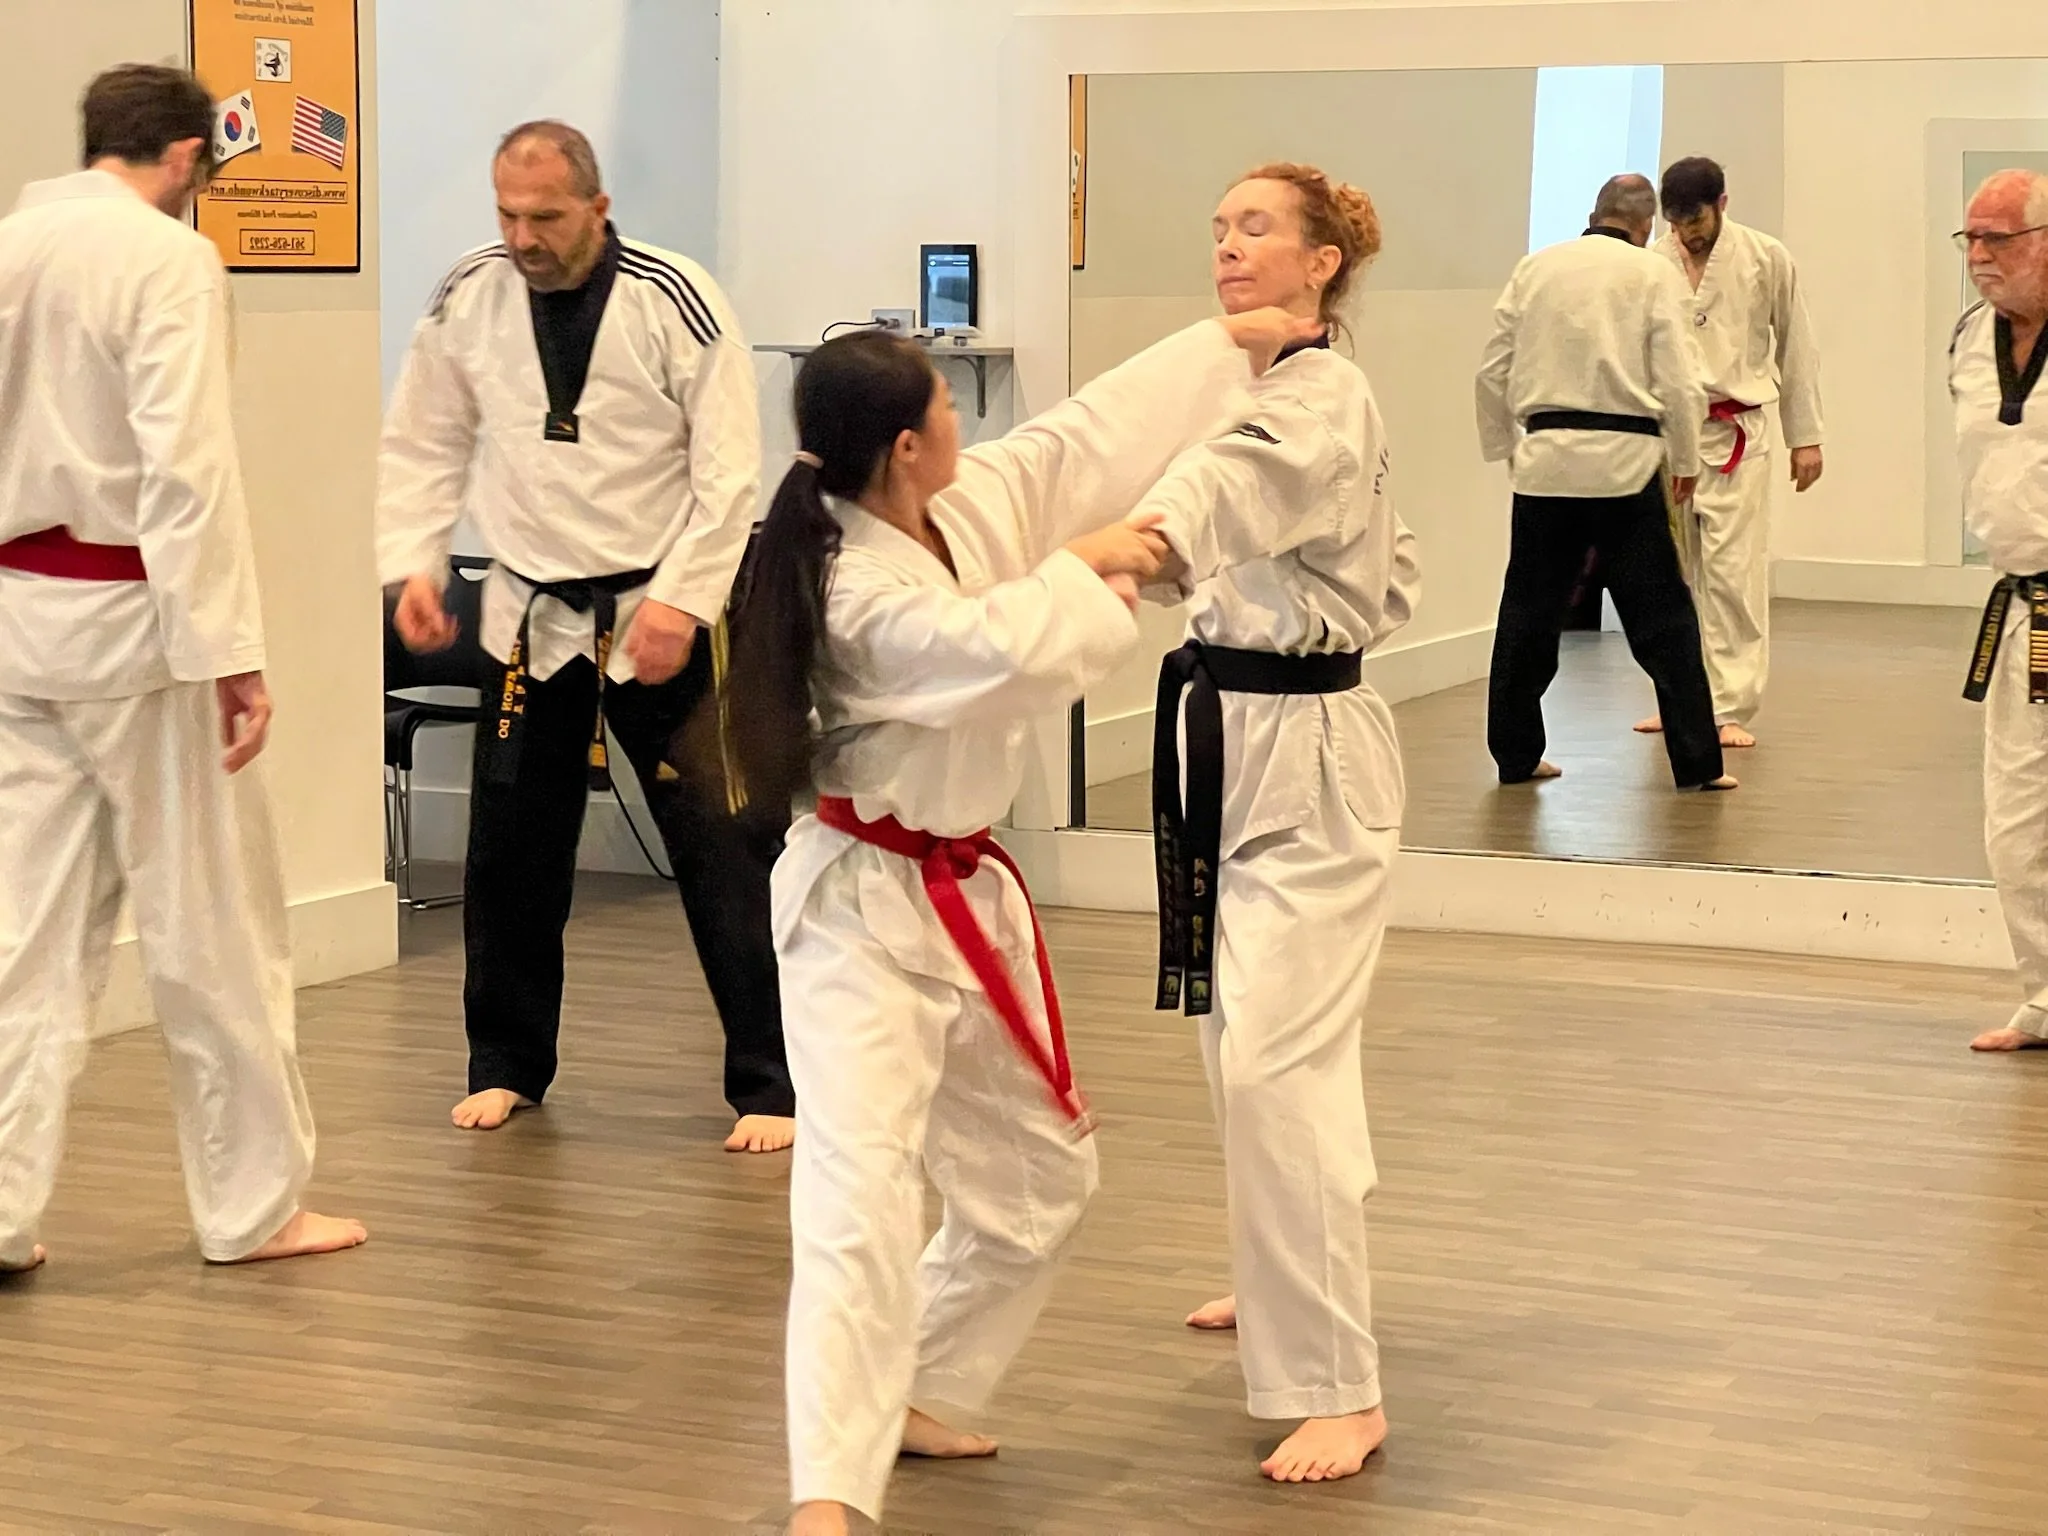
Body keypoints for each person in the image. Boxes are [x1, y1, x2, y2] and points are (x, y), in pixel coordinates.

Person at [693, 311, 1309, 1535]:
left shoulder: (939, 514)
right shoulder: (858, 585)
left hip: (961, 896)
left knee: (1037, 1180)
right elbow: (997, 650)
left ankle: (918, 1382)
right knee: (857, 1196)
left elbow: (1071, 445)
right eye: (944, 409)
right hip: (860, 911)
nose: (964, 424)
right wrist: (1086, 567)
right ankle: (829, 1484)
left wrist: (1221, 343)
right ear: (907, 448)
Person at [0, 64, 366, 1273]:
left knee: (22, 935)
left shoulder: (11, 244)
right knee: (213, 926)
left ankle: (0, 1210)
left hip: (18, 619)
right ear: (183, 159)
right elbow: (186, 470)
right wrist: (234, 658)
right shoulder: (169, 262)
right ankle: (254, 1207)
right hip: (139, 624)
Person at [377, 121, 795, 1151]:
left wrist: (680, 602)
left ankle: (773, 1082)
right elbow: (423, 437)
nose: (523, 235)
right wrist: (414, 562)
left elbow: (729, 469)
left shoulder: (673, 298)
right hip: (530, 610)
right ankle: (506, 1063)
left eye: (545, 216)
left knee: (726, 846)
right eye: (507, 214)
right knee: (510, 847)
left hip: (663, 606)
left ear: (597, 209)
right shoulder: (466, 294)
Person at [1128, 162, 1413, 1486]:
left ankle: (1339, 1387)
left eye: (1257, 229)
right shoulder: (1231, 385)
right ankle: (1284, 1266)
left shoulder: (1322, 396)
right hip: (1226, 738)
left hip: (1308, 752)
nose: (1229, 248)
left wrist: (1117, 552)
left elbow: (1218, 504)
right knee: (1250, 1043)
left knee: (1274, 1065)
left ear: (1322, 263)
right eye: (1221, 225)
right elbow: (1385, 557)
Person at [1476, 174, 1734, 792]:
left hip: (1546, 462)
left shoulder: (1535, 269)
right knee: (1664, 620)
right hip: (1627, 463)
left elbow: (1492, 371)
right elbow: (1677, 377)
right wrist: (1685, 458)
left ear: (1593, 213)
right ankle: (1698, 763)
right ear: (1646, 227)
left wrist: (1507, 448)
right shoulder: (1652, 276)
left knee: (1527, 615)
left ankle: (1515, 756)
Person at [1639, 156, 1825, 749]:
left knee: (1732, 575)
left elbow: (1797, 346)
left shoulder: (1766, 257)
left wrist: (1807, 436)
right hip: (1668, 438)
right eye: (1675, 223)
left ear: (1722, 203)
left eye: (1694, 220)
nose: (1686, 234)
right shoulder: (1651, 264)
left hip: (1738, 432)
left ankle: (1728, 706)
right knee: (1672, 577)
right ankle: (1678, 700)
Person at [1949, 170, 2048, 1055]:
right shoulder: (1969, 339)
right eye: (1970, 240)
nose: (1981, 258)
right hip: (2025, 611)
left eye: (2001, 239)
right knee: (2016, 816)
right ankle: (2047, 996)